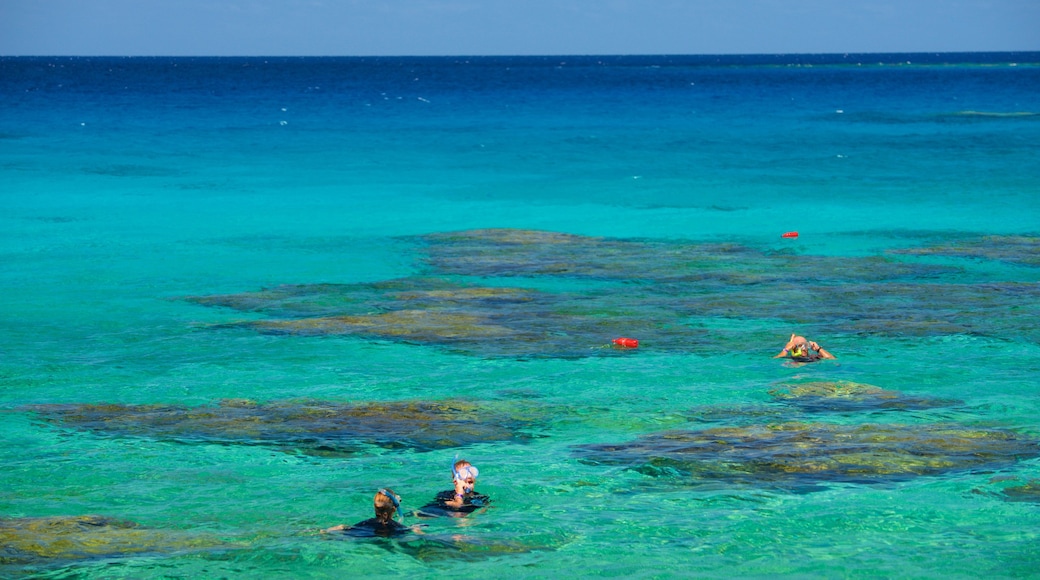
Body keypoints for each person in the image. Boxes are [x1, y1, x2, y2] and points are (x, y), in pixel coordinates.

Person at [322, 488, 424, 537]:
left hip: (359, 533)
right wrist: (415, 530)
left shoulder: (366, 523)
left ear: (375, 508)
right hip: (369, 537)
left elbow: (352, 529)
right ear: (394, 509)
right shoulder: (397, 528)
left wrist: (342, 528)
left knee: (342, 528)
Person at [415, 457, 491, 517]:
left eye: (471, 471)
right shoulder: (446, 495)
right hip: (442, 513)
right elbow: (458, 505)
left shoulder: (480, 497)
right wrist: (459, 495)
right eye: (464, 473)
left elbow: (485, 509)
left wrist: (476, 516)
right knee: (419, 513)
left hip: (463, 519)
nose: (469, 474)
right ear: (456, 482)